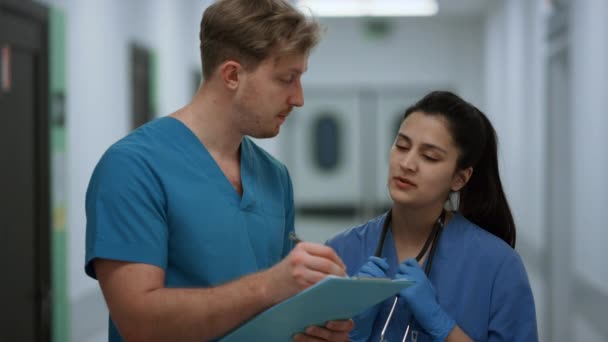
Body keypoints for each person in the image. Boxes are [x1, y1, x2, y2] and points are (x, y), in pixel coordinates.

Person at [85, 1, 354, 341]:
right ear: (232, 75)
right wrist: (269, 285)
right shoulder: (133, 168)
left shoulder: (274, 176)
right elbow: (139, 323)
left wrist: (314, 324)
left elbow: (280, 307)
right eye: (287, 79)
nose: (298, 98)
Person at [327, 91, 538, 342]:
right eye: (402, 146)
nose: (407, 163)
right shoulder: (339, 253)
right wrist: (351, 329)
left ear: (460, 178)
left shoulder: (498, 266)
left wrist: (441, 324)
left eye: (429, 156)